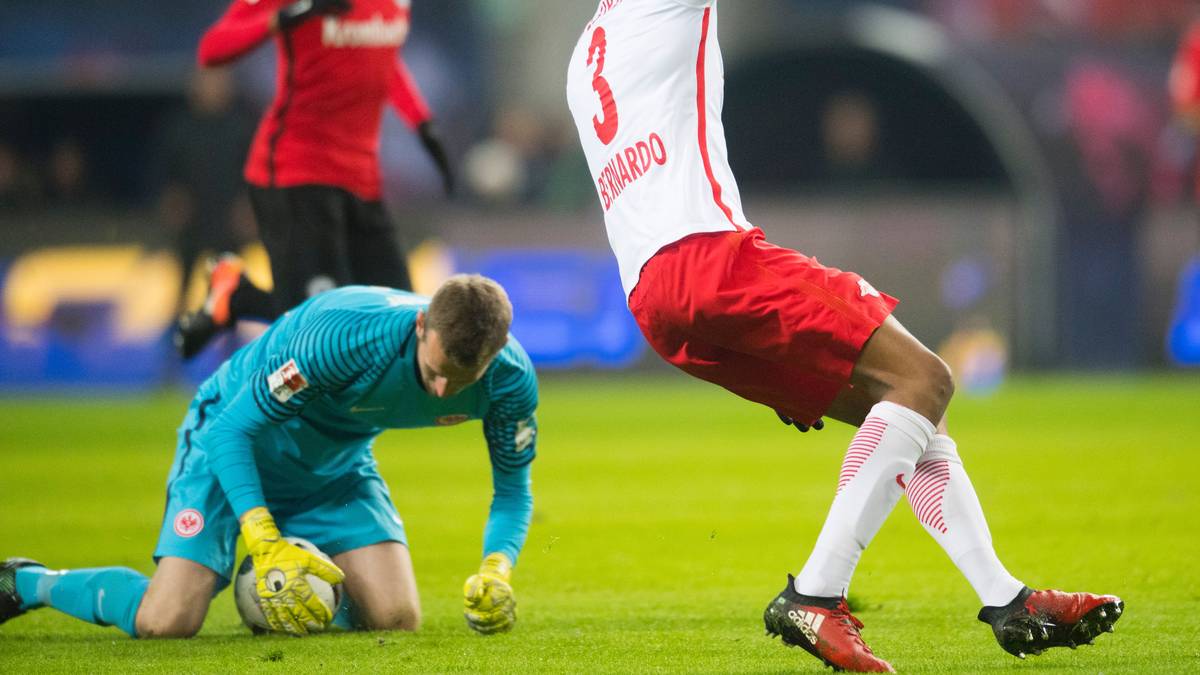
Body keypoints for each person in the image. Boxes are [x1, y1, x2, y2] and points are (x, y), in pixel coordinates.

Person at [565, 1, 1121, 671]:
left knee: (909, 408)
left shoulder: (585, 52)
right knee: (927, 378)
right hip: (710, 260)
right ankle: (815, 591)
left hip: (654, 301)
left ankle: (1008, 599)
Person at [1, 275, 536, 638]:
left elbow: (513, 492)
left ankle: (279, 599)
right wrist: (263, 536)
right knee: (166, 621)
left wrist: (497, 568)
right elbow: (233, 429)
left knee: (396, 617)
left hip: (334, 465)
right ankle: (27, 581)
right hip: (235, 442)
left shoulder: (510, 382)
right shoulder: (343, 337)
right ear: (421, 326)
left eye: (463, 380)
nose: (443, 392)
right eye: (436, 371)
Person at [175, 0, 455, 359]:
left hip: (361, 179)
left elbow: (379, 58)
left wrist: (422, 123)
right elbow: (213, 48)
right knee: (323, 324)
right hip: (296, 173)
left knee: (401, 316)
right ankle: (238, 302)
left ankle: (237, 297)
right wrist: (291, 15)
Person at [153, 67, 255, 315]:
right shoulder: (179, 128)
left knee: (229, 288)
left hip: (228, 221)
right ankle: (175, 340)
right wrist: (171, 203)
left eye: (219, 81)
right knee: (183, 283)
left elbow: (253, 174)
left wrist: (249, 207)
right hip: (192, 220)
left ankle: (231, 338)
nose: (213, 88)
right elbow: (165, 174)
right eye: (206, 82)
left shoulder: (241, 127)